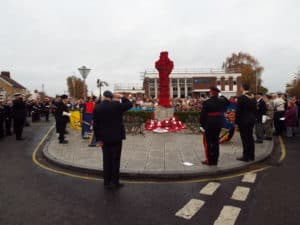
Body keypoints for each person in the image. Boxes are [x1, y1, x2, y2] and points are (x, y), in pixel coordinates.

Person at [93, 90, 132, 189]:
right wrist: (121, 96)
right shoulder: (116, 105)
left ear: (103, 97)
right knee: (115, 160)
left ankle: (106, 181)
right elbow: (129, 104)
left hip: (103, 139)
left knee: (106, 160)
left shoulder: (97, 107)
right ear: (111, 97)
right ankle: (115, 182)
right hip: (116, 138)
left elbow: (95, 125)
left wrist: (98, 139)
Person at [199, 86, 229, 166]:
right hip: (218, 124)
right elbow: (227, 101)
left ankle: (209, 161)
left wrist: (201, 125)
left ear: (211, 92)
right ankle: (215, 161)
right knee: (216, 142)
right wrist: (221, 95)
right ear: (218, 93)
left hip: (209, 124)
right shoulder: (222, 101)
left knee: (208, 143)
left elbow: (202, 115)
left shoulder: (207, 102)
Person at [235, 83, 257, 162]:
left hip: (243, 121)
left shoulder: (241, 98)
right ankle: (252, 156)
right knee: (250, 138)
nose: (240, 88)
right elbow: (255, 110)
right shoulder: (253, 97)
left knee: (245, 139)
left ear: (243, 88)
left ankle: (246, 157)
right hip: (251, 120)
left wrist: (236, 123)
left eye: (240, 87)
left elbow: (238, 112)